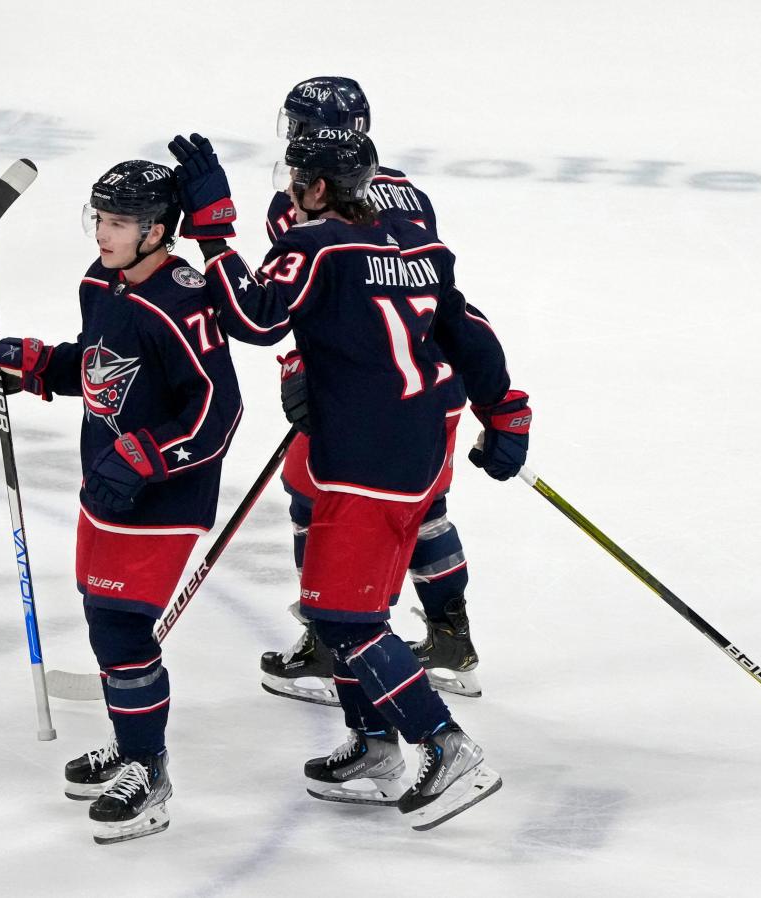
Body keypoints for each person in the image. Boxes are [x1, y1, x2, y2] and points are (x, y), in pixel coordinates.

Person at [166, 129, 531, 829]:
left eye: (297, 174)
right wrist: (505, 412)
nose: (291, 184)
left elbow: (255, 318)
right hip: (419, 447)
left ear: (321, 186)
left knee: (342, 617)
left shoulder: (315, 243)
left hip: (368, 463)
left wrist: (214, 233)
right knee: (349, 607)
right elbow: (466, 330)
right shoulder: (412, 242)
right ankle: (372, 747)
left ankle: (445, 746)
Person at [0, 160, 243, 844]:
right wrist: (28, 365)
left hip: (166, 497)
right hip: (107, 483)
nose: (103, 234)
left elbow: (219, 409)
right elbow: (97, 368)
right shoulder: (100, 283)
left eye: (118, 222)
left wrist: (149, 455)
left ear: (157, 230)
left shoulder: (184, 300)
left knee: (121, 625)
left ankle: (149, 769)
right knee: (100, 616)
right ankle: (130, 740)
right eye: (99, 218)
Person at [260, 76, 482, 706]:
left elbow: (295, 302)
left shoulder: (299, 201)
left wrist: (304, 363)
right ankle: (446, 639)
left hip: (378, 385)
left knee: (328, 496)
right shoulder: (405, 189)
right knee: (417, 506)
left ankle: (342, 635)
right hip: (426, 369)